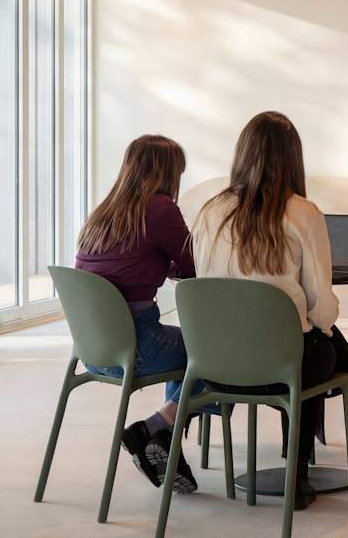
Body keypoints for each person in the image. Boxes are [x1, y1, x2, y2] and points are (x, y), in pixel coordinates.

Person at [192, 111, 348, 509]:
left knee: (307, 342)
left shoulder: (210, 212)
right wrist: (312, 324)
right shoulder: (302, 212)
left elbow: (206, 288)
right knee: (314, 344)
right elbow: (323, 310)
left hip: (214, 365)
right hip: (280, 368)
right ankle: (304, 468)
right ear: (292, 158)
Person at [75, 135, 201, 493]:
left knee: (195, 351)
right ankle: (153, 429)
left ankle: (163, 443)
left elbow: (130, 261)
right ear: (168, 172)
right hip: (137, 344)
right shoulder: (160, 209)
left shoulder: (104, 212)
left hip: (94, 350)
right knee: (218, 353)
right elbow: (195, 264)